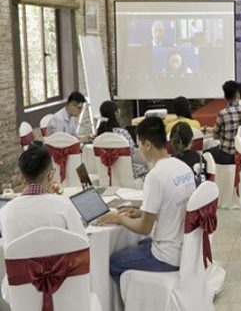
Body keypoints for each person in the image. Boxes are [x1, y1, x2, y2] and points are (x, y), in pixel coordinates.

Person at [100, 116, 196, 285]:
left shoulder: (155, 176)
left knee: (113, 262)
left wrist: (119, 218)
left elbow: (144, 229)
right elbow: (171, 206)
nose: (138, 150)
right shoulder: (183, 167)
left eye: (138, 145)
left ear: (147, 145)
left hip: (166, 256)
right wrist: (140, 212)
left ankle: (134, 298)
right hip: (187, 250)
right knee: (139, 244)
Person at [0, 145, 87, 247]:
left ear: (21, 179)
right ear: (50, 175)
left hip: (19, 258)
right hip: (59, 257)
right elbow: (83, 245)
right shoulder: (64, 207)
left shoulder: (5, 212)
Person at [96, 100, 149, 181]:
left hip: (106, 172)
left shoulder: (98, 136)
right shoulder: (123, 133)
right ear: (115, 113)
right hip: (126, 171)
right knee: (147, 171)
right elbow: (132, 153)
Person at [208, 81, 241, 165]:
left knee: (205, 154)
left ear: (225, 97)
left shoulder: (222, 114)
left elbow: (215, 135)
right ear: (238, 95)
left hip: (225, 155)